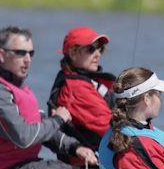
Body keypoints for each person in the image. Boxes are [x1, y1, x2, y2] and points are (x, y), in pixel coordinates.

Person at [0, 26, 101, 169]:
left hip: (29, 168)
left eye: (30, 54)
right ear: (2, 55)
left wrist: (75, 147)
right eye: (20, 53)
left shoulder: (22, 90)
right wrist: (58, 119)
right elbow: (23, 138)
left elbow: (46, 133)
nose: (27, 60)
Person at [48, 26, 117, 154]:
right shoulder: (76, 90)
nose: (98, 55)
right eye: (91, 49)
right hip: (88, 164)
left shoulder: (84, 80)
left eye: (100, 49)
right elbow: (111, 129)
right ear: (73, 53)